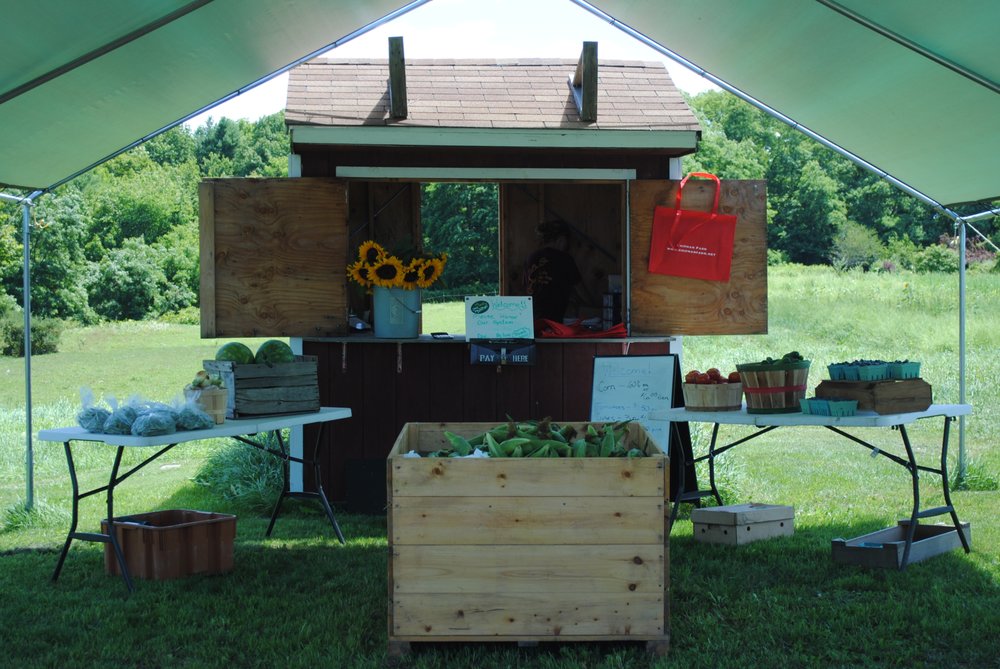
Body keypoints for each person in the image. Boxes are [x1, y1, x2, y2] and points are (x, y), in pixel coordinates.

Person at [524, 220, 583, 322]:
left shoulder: (531, 257)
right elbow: (580, 290)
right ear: (561, 239)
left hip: (532, 318)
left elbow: (526, 286)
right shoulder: (565, 259)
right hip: (554, 319)